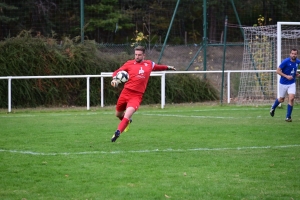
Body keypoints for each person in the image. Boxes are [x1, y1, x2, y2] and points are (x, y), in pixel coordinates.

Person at [110, 46, 176, 142]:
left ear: (144, 55)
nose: (137, 56)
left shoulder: (149, 64)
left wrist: (168, 67)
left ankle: (117, 132)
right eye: (136, 54)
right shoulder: (129, 64)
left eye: (139, 55)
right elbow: (117, 72)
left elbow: (158, 67)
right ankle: (127, 123)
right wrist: (115, 79)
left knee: (127, 115)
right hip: (125, 92)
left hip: (137, 96)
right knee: (118, 114)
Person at [270, 48, 300, 122]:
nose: (293, 55)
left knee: (291, 98)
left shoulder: (298, 62)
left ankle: (288, 117)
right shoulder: (286, 61)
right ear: (290, 54)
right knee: (281, 99)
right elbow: (278, 71)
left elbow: (293, 70)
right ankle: (273, 107)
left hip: (292, 83)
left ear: (297, 55)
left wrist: (296, 74)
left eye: (295, 54)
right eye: (292, 53)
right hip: (283, 83)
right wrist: (286, 76)